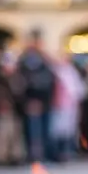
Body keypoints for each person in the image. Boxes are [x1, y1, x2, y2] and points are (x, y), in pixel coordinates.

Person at [18, 30, 55, 163]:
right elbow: (27, 81)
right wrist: (31, 99)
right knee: (35, 132)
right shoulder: (28, 59)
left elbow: (50, 79)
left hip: (45, 101)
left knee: (43, 130)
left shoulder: (43, 58)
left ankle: (43, 155)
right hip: (34, 101)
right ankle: (35, 156)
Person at [50, 56, 87, 162]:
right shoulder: (55, 71)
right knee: (56, 131)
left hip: (69, 107)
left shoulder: (71, 72)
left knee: (69, 130)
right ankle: (56, 153)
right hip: (56, 106)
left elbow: (78, 91)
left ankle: (67, 151)